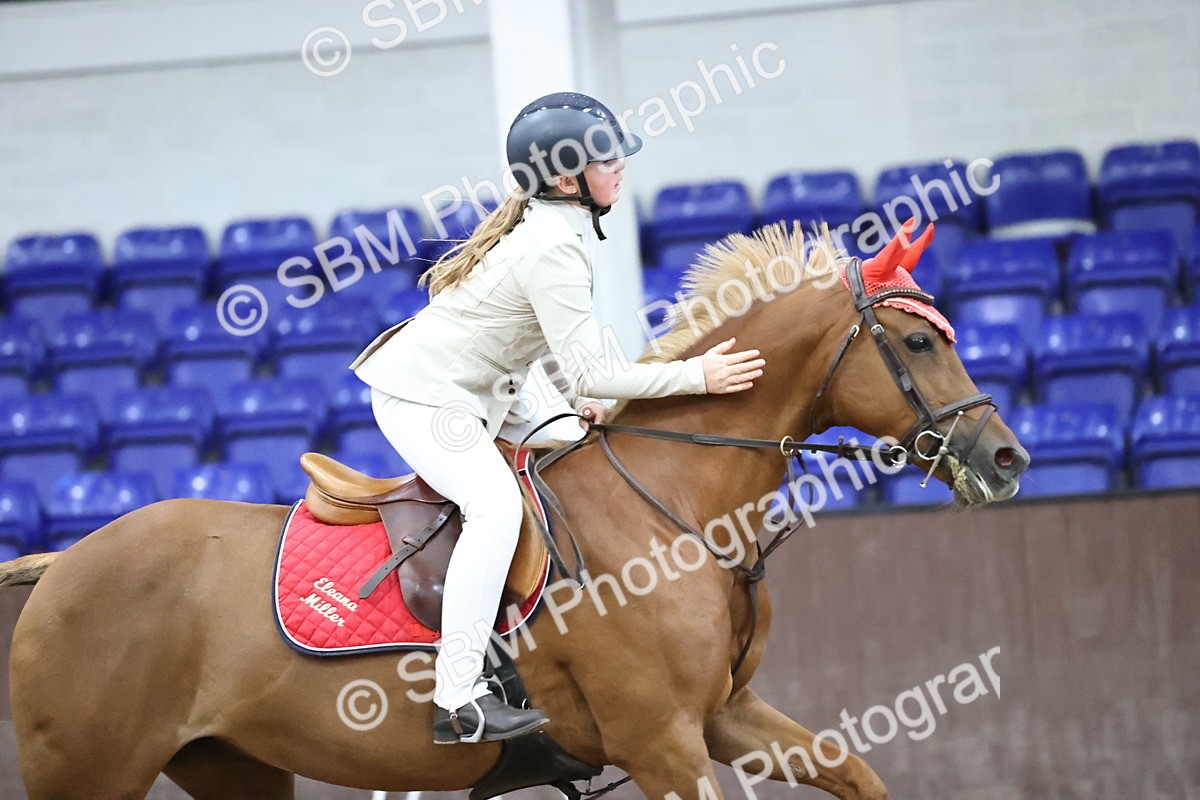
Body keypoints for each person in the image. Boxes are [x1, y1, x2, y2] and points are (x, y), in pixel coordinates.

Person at [349, 91, 766, 745]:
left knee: (586, 448)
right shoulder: (551, 244)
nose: (622, 165)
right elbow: (594, 373)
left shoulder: (565, 230)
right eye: (607, 158)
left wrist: (589, 405)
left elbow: (581, 362)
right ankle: (458, 700)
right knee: (494, 507)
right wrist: (697, 376)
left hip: (497, 388)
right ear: (567, 179)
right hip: (424, 394)